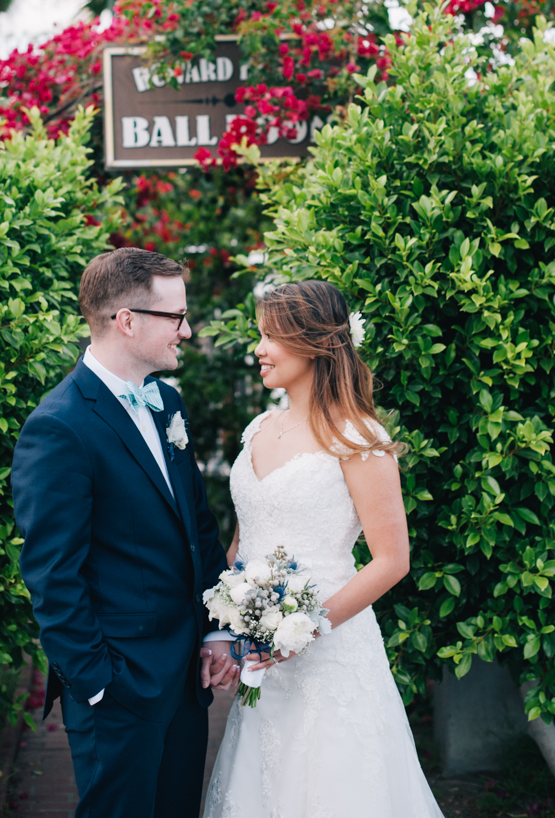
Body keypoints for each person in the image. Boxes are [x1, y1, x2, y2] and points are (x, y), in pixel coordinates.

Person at [203, 280, 444, 818]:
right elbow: (244, 543)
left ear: (313, 344)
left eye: (271, 337)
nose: (258, 349)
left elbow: (392, 559)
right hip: (263, 658)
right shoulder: (258, 429)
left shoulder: (359, 438)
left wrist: (308, 626)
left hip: (333, 652)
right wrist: (226, 624)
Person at [12, 247, 238, 818]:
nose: (187, 331)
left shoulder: (167, 403)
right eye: (176, 316)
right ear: (128, 321)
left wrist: (214, 630)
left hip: (187, 679)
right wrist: (97, 684)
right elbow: (51, 574)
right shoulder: (59, 427)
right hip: (118, 688)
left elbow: (197, 528)